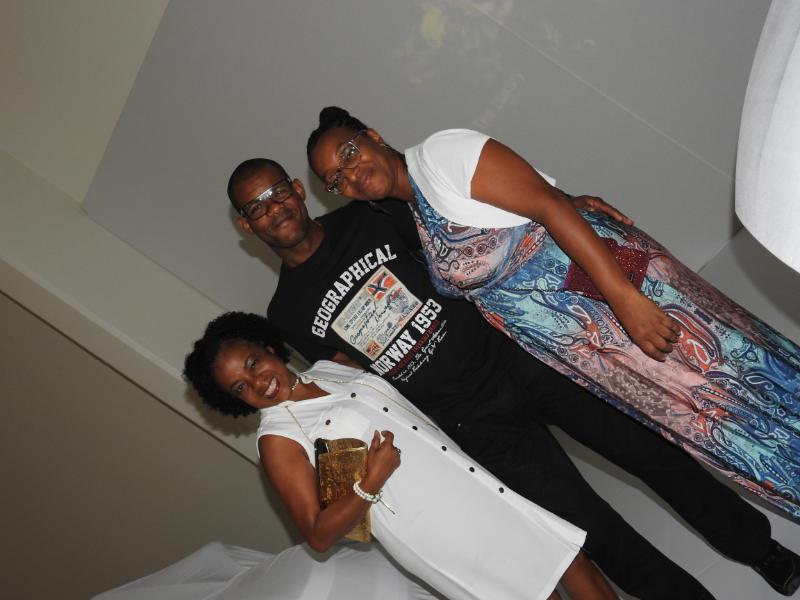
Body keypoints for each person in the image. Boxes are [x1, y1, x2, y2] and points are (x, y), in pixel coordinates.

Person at [225, 156, 797, 598]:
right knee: (590, 527)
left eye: (277, 192)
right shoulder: (286, 315)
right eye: (256, 207)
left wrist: (562, 207)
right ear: (246, 225)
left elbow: (465, 237)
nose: (274, 209)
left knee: (651, 452)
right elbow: (351, 376)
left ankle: (758, 548)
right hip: (471, 422)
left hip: (523, 357)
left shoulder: (369, 215)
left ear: (298, 189)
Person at [306, 107, 800, 522]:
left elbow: (545, 206)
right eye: (334, 179)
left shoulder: (440, 154)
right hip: (595, 342)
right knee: (711, 421)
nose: (348, 175)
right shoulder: (417, 207)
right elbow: (518, 216)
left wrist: (625, 301)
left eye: (348, 154)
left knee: (738, 386)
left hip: (618, 304)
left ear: (372, 136)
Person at [183, 311, 618, 600]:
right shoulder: (277, 439)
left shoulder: (328, 369)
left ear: (268, 348)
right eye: (240, 387)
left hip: (472, 483)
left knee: (572, 561)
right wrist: (371, 480)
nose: (257, 383)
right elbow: (317, 533)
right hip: (435, 529)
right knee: (537, 592)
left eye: (253, 363)